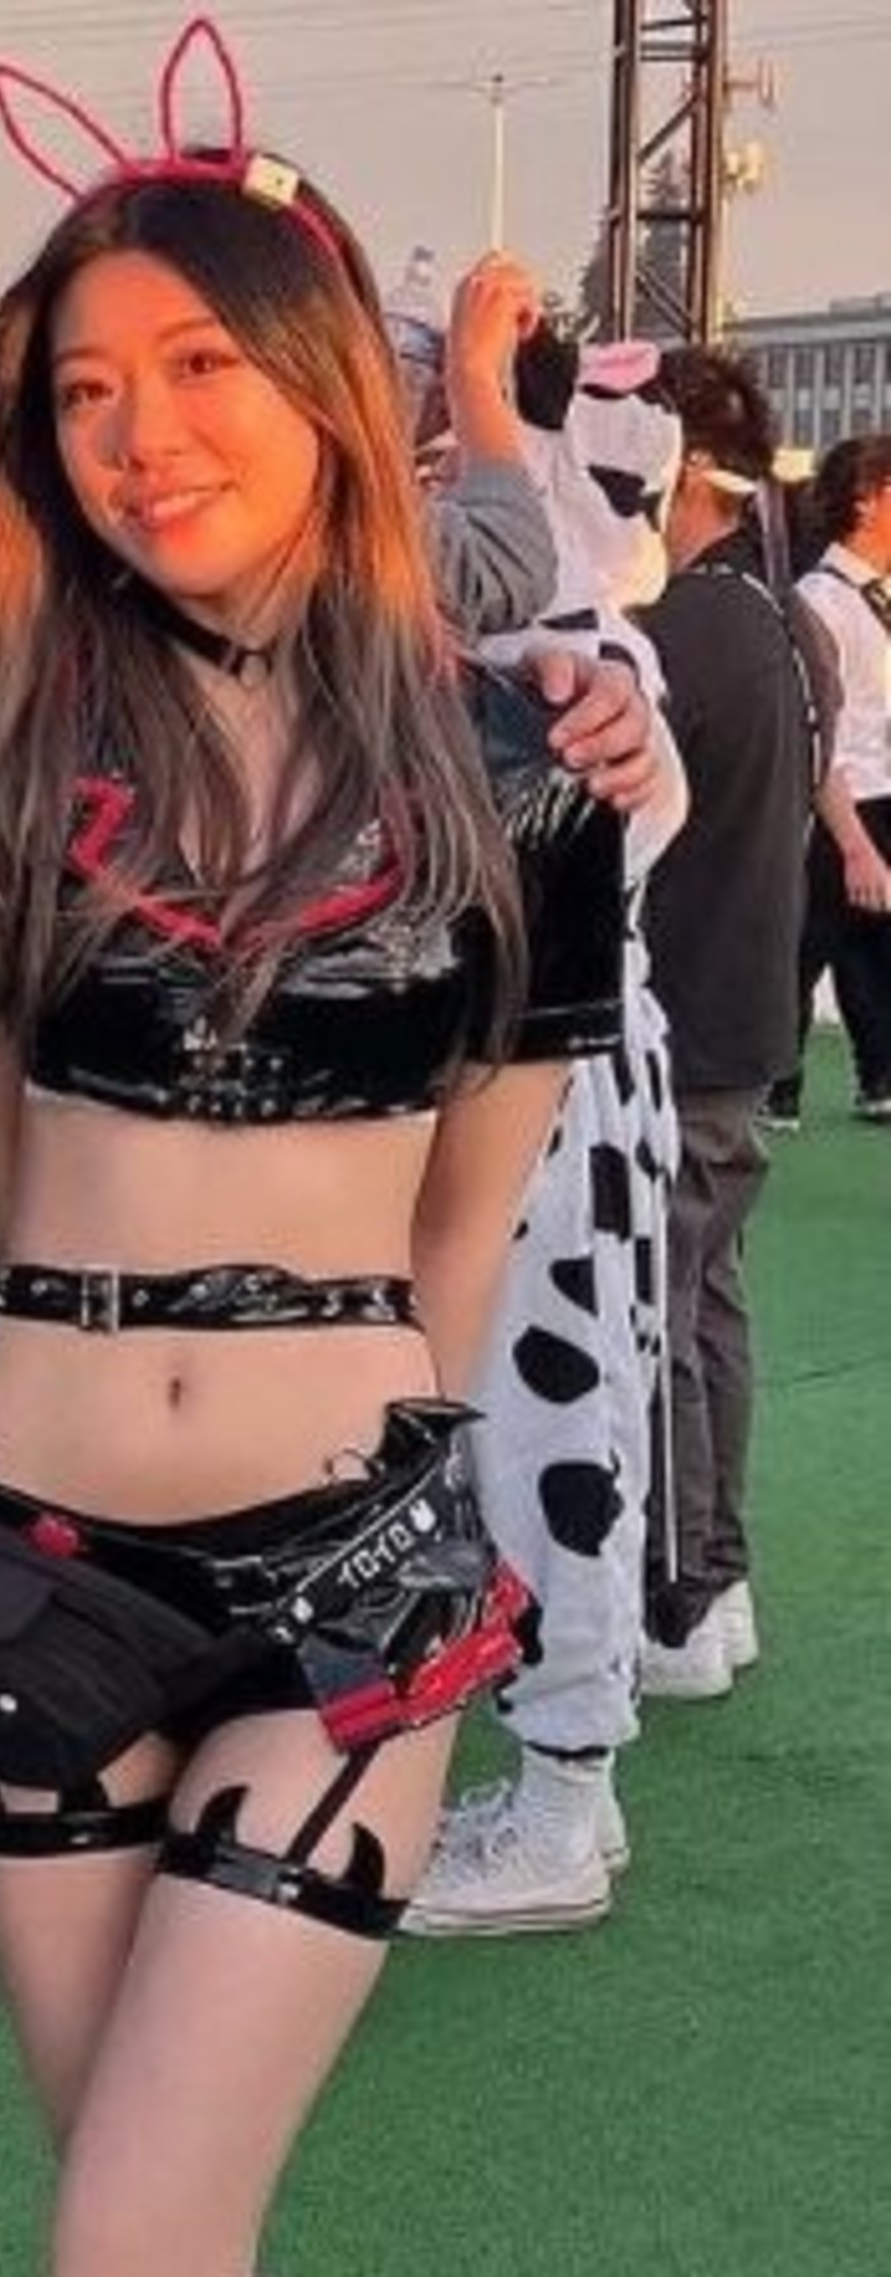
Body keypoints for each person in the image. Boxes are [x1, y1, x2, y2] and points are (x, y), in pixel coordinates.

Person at [0, 22, 657, 2277]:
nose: (138, 431)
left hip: (346, 1582)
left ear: (321, 385)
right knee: (141, 2270)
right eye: (83, 388)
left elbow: (462, 1225)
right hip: (33, 1574)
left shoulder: (525, 767)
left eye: (198, 365)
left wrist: (378, 1465)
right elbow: (0, 1154)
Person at [407, 326, 687, 1935]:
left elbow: (628, 829)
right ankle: (564, 1776)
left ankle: (563, 1791)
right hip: (557, 1086)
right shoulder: (567, 641)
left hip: (545, 1100)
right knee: (541, 1425)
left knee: (547, 1430)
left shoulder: (561, 655)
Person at [635, 348, 816, 1698]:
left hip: (685, 1011)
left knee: (663, 1314)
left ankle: (682, 1593)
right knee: (708, 1303)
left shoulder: (678, 632)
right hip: (744, 1004)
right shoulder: (775, 618)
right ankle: (718, 1578)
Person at [767, 433, 891, 1125]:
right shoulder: (819, 599)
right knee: (807, 940)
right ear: (866, 500)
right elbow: (820, 727)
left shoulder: (883, 594)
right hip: (837, 795)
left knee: (877, 945)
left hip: (885, 789)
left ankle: (880, 1076)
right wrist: (853, 842)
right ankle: (775, 1082)